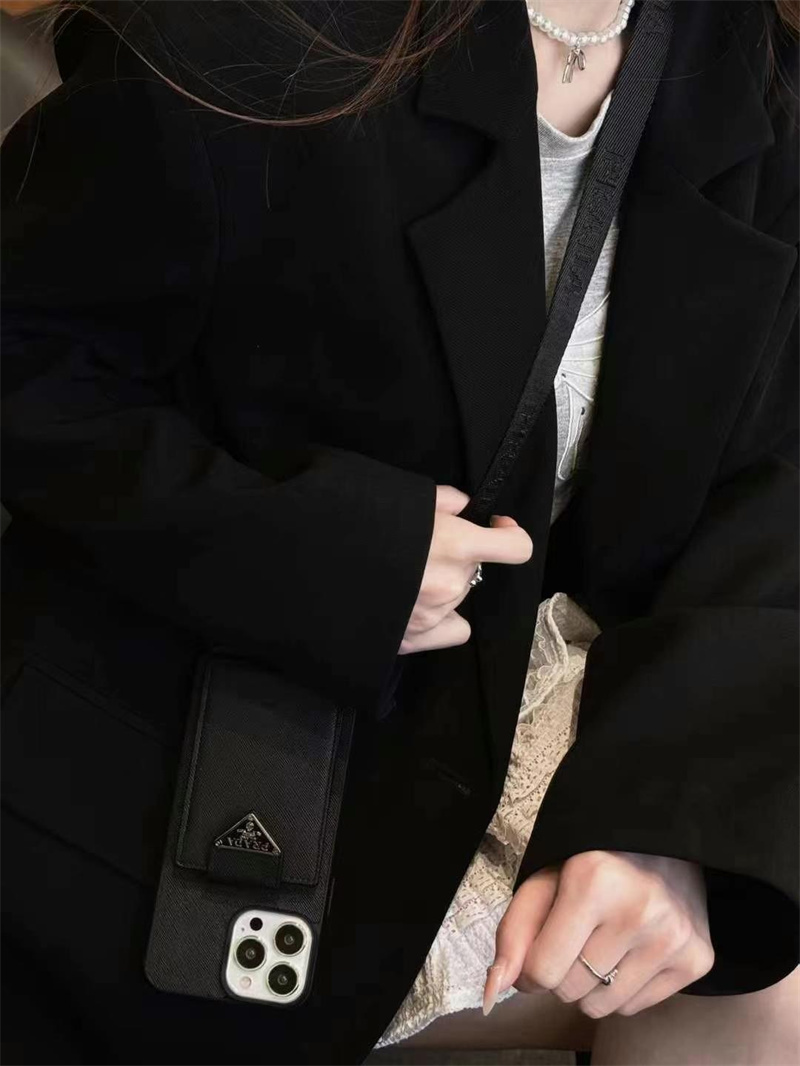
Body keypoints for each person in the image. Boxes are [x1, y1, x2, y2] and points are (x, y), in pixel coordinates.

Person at [1, 1, 797, 1063]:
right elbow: (30, 358)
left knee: (763, 984)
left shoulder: (753, 68)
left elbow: (773, 484)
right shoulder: (258, 26)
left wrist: (676, 819)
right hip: (197, 773)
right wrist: (304, 544)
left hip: (547, 741)